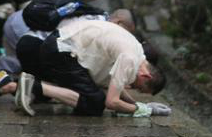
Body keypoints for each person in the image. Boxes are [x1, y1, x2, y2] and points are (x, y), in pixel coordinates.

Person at [14, 20, 168, 117]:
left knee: (94, 97)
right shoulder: (130, 58)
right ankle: (33, 85)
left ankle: (20, 84)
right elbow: (112, 102)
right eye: (141, 89)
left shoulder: (137, 52)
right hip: (62, 50)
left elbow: (115, 85)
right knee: (96, 103)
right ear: (146, 76)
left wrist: (137, 105)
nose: (136, 89)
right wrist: (143, 110)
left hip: (60, 46)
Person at [0, 9, 136, 102]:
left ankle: (9, 82)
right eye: (125, 32)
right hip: (40, 45)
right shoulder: (103, 27)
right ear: (119, 22)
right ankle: (11, 82)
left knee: (46, 95)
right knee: (71, 88)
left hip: (39, 43)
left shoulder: (99, 18)